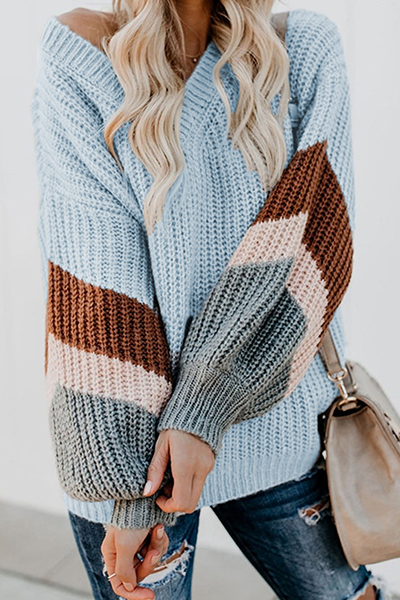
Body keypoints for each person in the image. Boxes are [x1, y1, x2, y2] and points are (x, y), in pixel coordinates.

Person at [31, 2, 387, 599]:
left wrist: (203, 406)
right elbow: (96, 277)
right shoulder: (80, 53)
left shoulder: (301, 50)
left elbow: (313, 248)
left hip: (275, 423)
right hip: (133, 450)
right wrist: (131, 491)